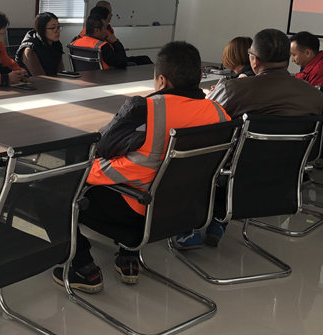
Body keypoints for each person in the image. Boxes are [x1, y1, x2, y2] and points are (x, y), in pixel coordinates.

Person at [52, 41, 230, 293]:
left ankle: (82, 268)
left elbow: (101, 146)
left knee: (53, 189)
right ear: (199, 77)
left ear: (161, 80)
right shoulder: (219, 113)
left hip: (137, 213)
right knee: (149, 175)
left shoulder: (145, 109)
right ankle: (129, 255)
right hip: (187, 210)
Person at [177, 28, 323, 249]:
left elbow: (202, 121)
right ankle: (219, 220)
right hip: (283, 178)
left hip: (231, 175)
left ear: (254, 60)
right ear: (287, 59)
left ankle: (186, 228)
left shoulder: (234, 89)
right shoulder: (314, 95)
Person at [15, 12, 65, 76]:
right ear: (42, 30)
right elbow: (40, 77)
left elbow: (61, 73)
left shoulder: (56, 45)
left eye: (58, 27)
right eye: (52, 28)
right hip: (33, 81)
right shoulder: (30, 49)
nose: (57, 31)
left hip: (52, 81)